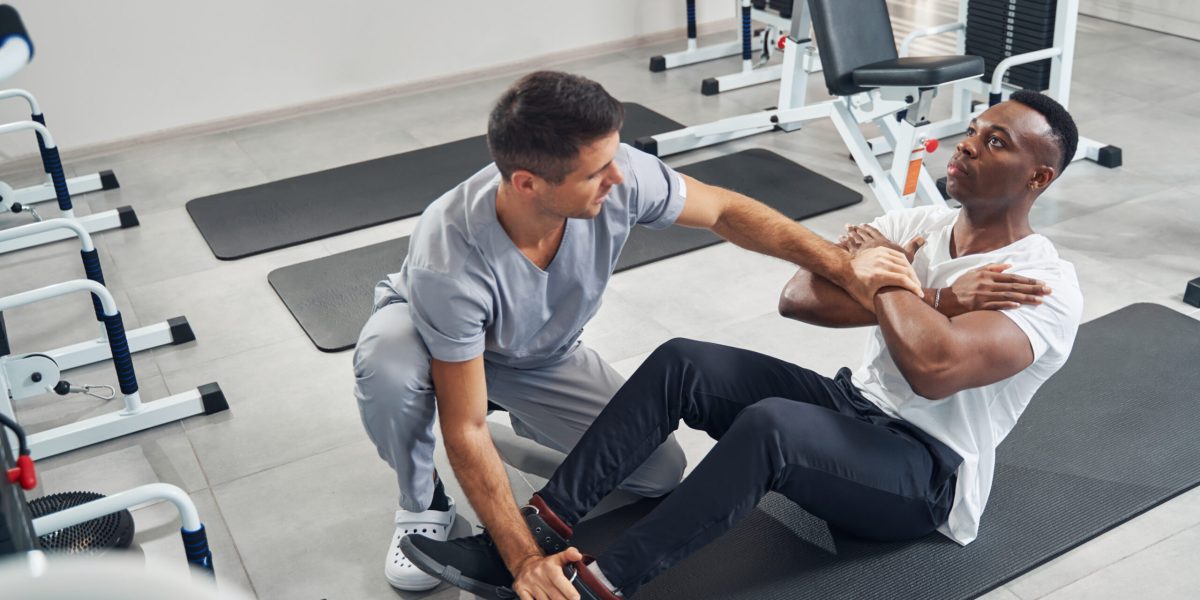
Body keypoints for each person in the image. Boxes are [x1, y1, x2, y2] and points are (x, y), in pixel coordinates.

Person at [401, 90, 1084, 600]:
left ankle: (596, 587)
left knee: (772, 426)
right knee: (685, 361)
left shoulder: (1041, 285)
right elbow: (799, 297)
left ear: (1038, 179)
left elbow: (935, 368)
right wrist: (929, 297)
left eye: (996, 143)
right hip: (855, 407)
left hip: (925, 474)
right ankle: (542, 527)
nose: (966, 145)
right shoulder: (919, 222)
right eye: (972, 130)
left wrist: (889, 281)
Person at [353, 69, 930, 591]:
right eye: (596, 171)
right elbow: (466, 423)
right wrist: (523, 559)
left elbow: (726, 212)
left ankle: (520, 420)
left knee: (658, 474)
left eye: (615, 157)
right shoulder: (449, 258)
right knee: (391, 365)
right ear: (528, 184)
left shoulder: (619, 174)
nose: (620, 176)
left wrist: (841, 265)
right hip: (433, 337)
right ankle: (421, 497)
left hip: (539, 355)